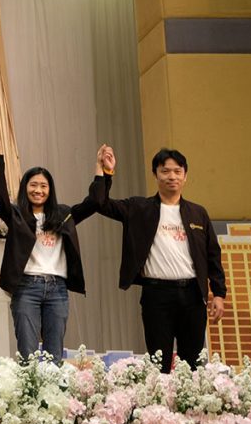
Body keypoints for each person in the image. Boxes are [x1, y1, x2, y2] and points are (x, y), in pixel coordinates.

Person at [97, 147, 226, 373]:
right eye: (165, 171)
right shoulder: (138, 208)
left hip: (193, 295)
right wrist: (105, 173)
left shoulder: (198, 213)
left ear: (185, 176)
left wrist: (219, 294)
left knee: (191, 365)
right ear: (155, 175)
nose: (172, 176)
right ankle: (159, 398)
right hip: (156, 295)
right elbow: (100, 203)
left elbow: (212, 255)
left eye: (177, 171)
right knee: (159, 363)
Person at [0, 142, 108, 363]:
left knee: (55, 356)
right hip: (26, 288)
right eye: (33, 185)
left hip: (57, 289)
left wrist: (101, 170)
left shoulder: (63, 214)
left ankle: (53, 386)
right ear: (25, 187)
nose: (38, 190)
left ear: (50, 190)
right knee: (28, 355)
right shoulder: (16, 215)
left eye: (43, 186)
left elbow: (94, 203)